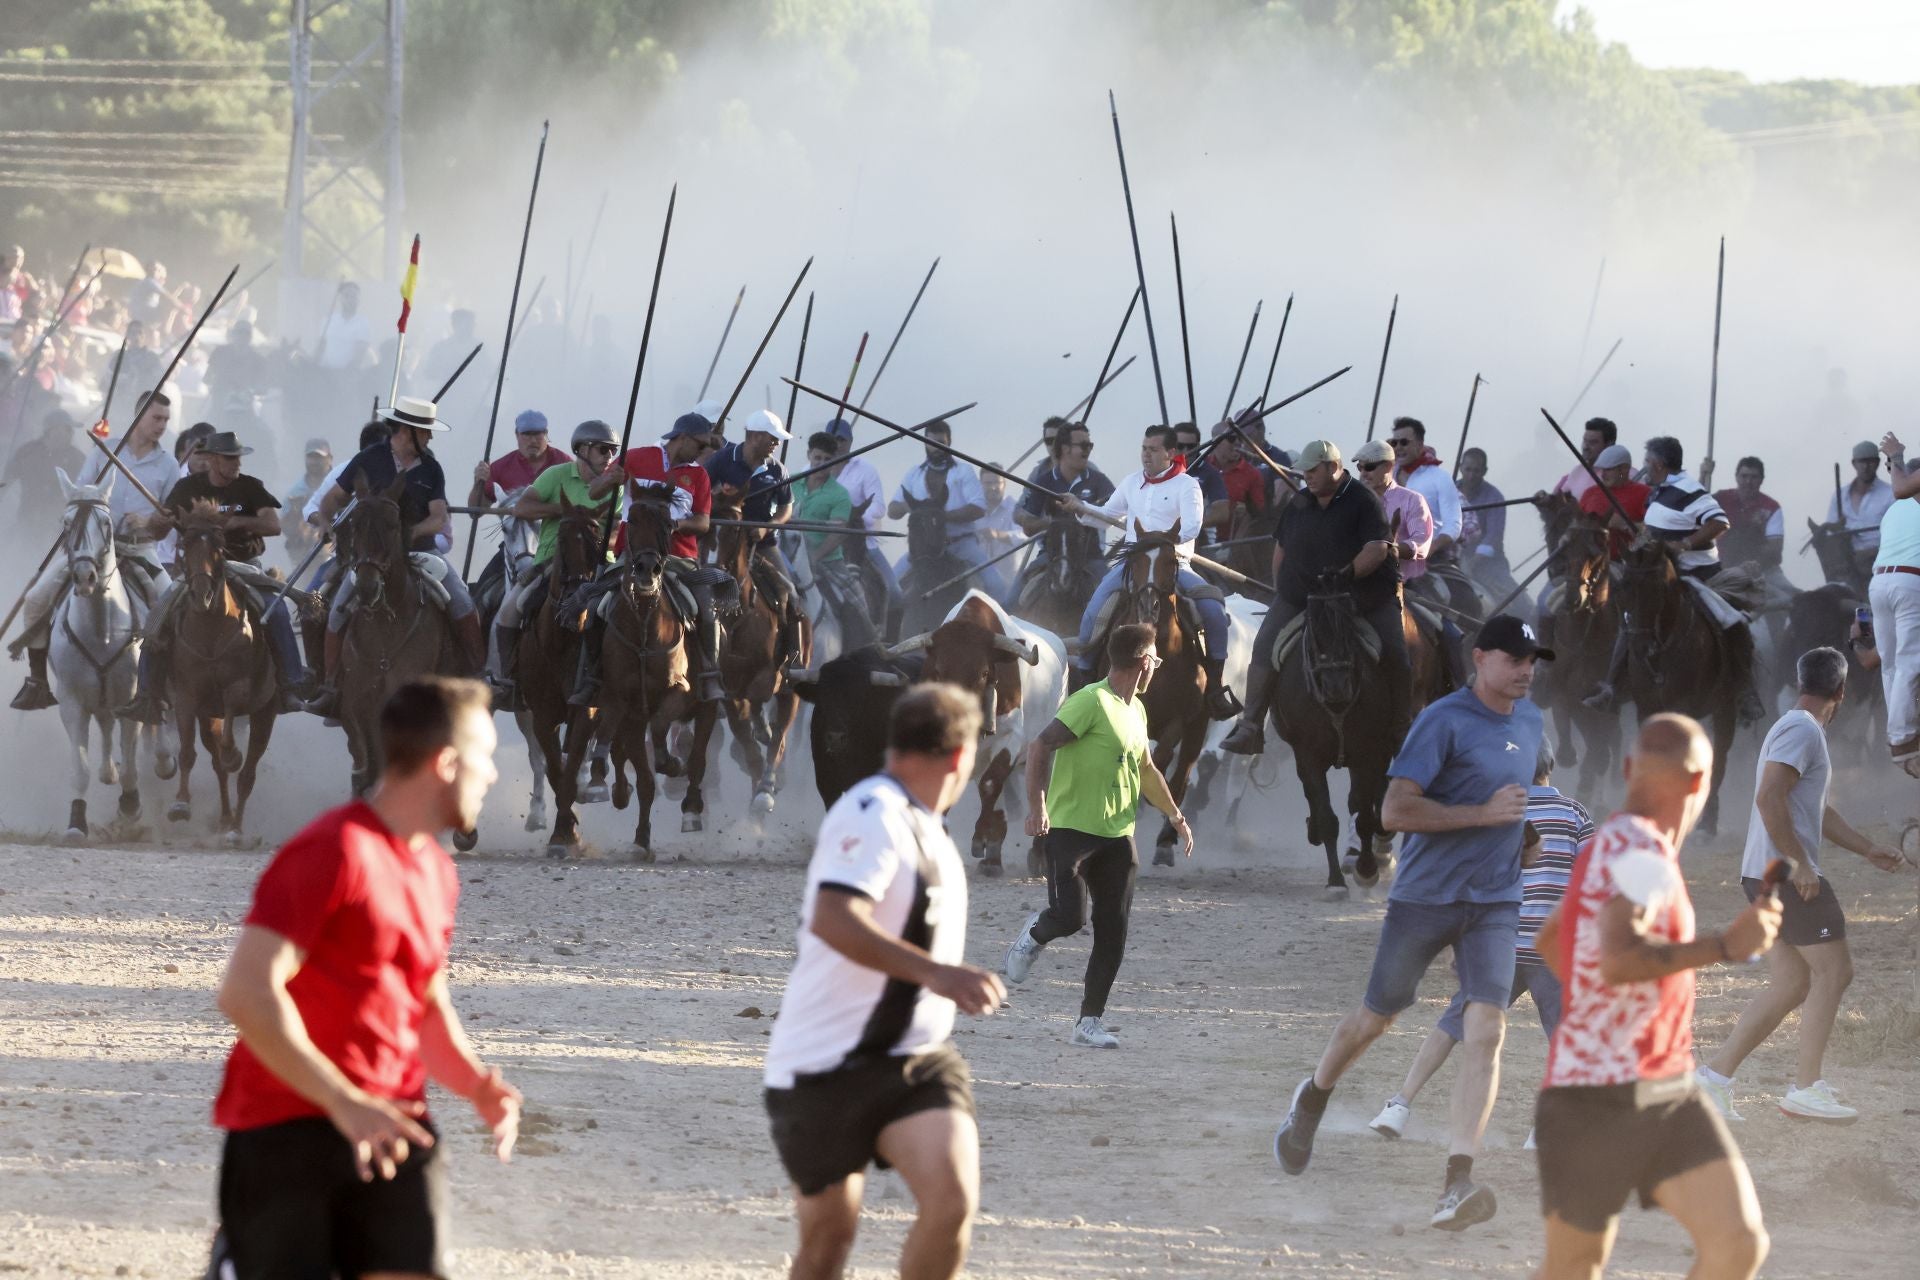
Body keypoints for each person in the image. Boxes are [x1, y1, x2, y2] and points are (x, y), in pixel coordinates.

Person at [210, 677, 520, 1276]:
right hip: (286, 1128)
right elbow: (245, 992)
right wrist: (344, 1101)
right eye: (486, 757)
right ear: (447, 764)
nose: (494, 775)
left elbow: (424, 1004)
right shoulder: (332, 851)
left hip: (395, 1124)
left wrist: (478, 1085)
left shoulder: (437, 871)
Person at [1273, 614, 1549, 1232]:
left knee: (1487, 1032)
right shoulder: (1442, 720)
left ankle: (1456, 1183)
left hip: (1497, 901)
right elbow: (1395, 811)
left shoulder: (1532, 722)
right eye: (1515, 658)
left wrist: (1522, 837)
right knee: (1379, 1017)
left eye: (1533, 659)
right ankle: (1313, 1096)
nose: (1527, 669)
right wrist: (1482, 815)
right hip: (1426, 896)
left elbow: (1515, 795)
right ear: (1480, 659)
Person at [762, 684, 1005, 1280]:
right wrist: (938, 974)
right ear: (960, 755)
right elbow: (833, 916)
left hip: (915, 1061)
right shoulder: (872, 814)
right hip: (824, 1066)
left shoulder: (926, 823)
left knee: (951, 1203)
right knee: (827, 1243)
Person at [1530, 714, 1781, 1280]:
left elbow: (1551, 942)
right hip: (1598, 1100)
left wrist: (1601, 1018)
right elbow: (1618, 958)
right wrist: (1725, 945)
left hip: (1657, 1087)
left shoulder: (1607, 844)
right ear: (1700, 785)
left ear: (1626, 770)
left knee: (1735, 1242)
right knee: (1727, 1247)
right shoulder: (1642, 851)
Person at [1695, 648, 1907, 1122]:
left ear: (1799, 682)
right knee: (1836, 973)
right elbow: (1770, 798)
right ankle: (1806, 1088)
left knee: (1793, 983)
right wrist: (1800, 864)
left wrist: (1865, 848)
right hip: (1786, 875)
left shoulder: (1798, 729)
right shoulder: (1802, 730)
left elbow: (1816, 810)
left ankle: (1712, 1080)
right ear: (1842, 693)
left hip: (1765, 874)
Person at [1370, 738, 1591, 1147]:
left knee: (1452, 1026)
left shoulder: (1497, 817)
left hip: (1500, 944)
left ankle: (1398, 1105)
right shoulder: (1574, 813)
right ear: (1551, 766)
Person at [1005, 621, 1192, 1045]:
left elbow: (1146, 769)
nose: (1156, 668)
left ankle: (1088, 1023)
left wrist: (1176, 816)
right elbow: (1039, 746)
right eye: (1156, 661)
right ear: (1144, 663)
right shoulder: (1091, 701)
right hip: (1070, 829)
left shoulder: (1137, 710)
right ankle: (1033, 934)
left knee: (1114, 930)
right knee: (1071, 918)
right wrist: (1037, 808)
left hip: (1117, 837)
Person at [1219, 439, 1402, 754]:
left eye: (1313, 471)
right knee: (1263, 646)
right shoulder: (1300, 502)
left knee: (1397, 649)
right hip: (1301, 595)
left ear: (1333, 467)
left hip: (1359, 593)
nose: (1307, 478)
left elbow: (1377, 548)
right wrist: (1282, 590)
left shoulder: (1364, 500)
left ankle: (1403, 724)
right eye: (1304, 473)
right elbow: (1281, 549)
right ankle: (1250, 724)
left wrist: (1349, 572)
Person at [306, 397, 483, 717]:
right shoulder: (368, 459)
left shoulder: (430, 468)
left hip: (421, 551)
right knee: (336, 610)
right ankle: (330, 684)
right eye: (426, 432)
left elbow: (438, 517)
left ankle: (476, 675)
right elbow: (332, 500)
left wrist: (407, 536)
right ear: (407, 430)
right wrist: (328, 526)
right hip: (370, 556)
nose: (430, 438)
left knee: (462, 601)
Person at [121, 431, 310, 720]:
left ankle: (291, 684)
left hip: (245, 565)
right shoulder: (186, 489)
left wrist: (236, 521)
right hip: (199, 570)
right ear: (211, 460)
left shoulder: (250, 487)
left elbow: (273, 526)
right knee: (157, 616)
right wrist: (158, 522)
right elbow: (158, 532)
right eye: (229, 459)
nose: (236, 464)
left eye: (237, 458)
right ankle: (147, 694)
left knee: (278, 611)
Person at [9, 391, 176, 710]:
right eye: (156, 418)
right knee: (34, 600)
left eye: (166, 420)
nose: (162, 425)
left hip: (141, 551)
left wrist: (151, 520)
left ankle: (157, 689)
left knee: (171, 605)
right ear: (139, 416)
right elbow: (81, 493)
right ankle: (38, 681)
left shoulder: (167, 464)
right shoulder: (105, 450)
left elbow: (170, 518)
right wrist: (95, 508)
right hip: (94, 549)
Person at [1585, 436, 1763, 723]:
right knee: (1631, 620)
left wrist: (1686, 544)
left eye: (1647, 462)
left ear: (1657, 464)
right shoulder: (1657, 492)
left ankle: (1744, 692)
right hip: (1658, 575)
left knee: (1733, 622)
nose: (1644, 467)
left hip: (1695, 575)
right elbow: (1657, 530)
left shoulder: (1690, 490)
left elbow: (1720, 522)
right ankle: (1612, 687)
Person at [1065, 424, 1236, 719]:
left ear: (1171, 453)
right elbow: (1108, 514)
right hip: (1133, 564)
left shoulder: (1187, 485)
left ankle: (1215, 687)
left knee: (1213, 610)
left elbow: (1193, 525)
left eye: (1153, 449)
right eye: (1144, 448)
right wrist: (1080, 506)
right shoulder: (1132, 482)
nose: (1146, 455)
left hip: (1174, 563)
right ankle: (1084, 680)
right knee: (1093, 613)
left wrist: (1159, 540)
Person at [574, 410, 717, 705]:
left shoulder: (699, 474)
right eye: (701, 445)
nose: (705, 452)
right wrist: (610, 478)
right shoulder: (637, 457)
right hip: (631, 556)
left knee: (707, 610)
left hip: (680, 558)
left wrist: (672, 525)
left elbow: (703, 522)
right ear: (683, 438)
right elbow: (594, 492)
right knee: (593, 607)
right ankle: (593, 676)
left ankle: (709, 675)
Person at [487, 419, 619, 704]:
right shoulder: (556, 475)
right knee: (511, 609)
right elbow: (522, 507)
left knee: (623, 610)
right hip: (551, 561)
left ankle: (616, 677)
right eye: (603, 449)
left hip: (600, 565)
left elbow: (620, 532)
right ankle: (509, 679)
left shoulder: (617, 485)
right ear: (583, 449)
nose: (609, 456)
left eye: (612, 451)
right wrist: (567, 512)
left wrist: (590, 534)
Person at [705, 408, 803, 657]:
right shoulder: (722, 460)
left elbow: (786, 508)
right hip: (722, 539)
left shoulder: (777, 470)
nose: (777, 443)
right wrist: (717, 499)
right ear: (756, 436)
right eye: (773, 438)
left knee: (790, 592)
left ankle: (793, 656)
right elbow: (700, 493)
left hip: (762, 543)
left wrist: (767, 527)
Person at [888, 418, 1008, 603]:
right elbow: (892, 510)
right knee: (891, 588)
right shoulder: (914, 474)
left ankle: (1006, 629)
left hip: (962, 544)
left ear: (949, 443)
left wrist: (941, 517)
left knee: (997, 586)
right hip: (922, 551)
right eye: (931, 443)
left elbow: (978, 508)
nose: (936, 448)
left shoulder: (963, 471)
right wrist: (916, 510)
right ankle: (885, 632)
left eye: (941, 443)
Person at [794, 431, 876, 650]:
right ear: (809, 455)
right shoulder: (790, 484)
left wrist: (814, 557)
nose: (821, 463)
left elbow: (837, 534)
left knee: (856, 601)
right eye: (817, 458)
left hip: (827, 562)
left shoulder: (840, 494)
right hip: (787, 557)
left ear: (834, 462)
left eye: (827, 460)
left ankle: (861, 651)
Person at [1013, 422, 1113, 598]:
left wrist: (1083, 511)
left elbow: (1114, 516)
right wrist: (1053, 524)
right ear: (1065, 449)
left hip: (1091, 558)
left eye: (1089, 445)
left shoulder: (1098, 480)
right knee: (1012, 600)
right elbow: (1028, 528)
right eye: (1083, 445)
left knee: (1114, 598)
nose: (1088, 450)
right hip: (1051, 556)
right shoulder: (1043, 481)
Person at [1870, 431, 1920, 775]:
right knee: (1910, 661)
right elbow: (1902, 485)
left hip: (1879, 583)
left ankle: (1898, 737)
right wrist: (1896, 459)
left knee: (1889, 664)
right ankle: (1902, 736)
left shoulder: (1892, 511)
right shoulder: (1907, 495)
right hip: (1910, 582)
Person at [826, 417, 903, 627]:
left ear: (850, 441)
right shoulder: (813, 468)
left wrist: (854, 521)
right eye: (833, 439)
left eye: (842, 439)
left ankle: (889, 646)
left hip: (860, 544)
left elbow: (878, 505)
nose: (838, 444)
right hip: (822, 543)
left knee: (895, 593)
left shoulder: (866, 469)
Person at [1457, 447, 1522, 605]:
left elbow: (1493, 537)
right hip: (1452, 558)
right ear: (1460, 468)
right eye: (1468, 469)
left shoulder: (1495, 497)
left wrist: (1472, 563)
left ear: (1484, 471)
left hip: (1487, 563)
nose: (1471, 475)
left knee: (1519, 604)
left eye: (1477, 471)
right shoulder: (1447, 490)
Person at [468, 408, 568, 509]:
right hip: (513, 524)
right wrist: (478, 483)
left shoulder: (564, 463)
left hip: (555, 524)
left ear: (546, 434)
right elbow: (475, 511)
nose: (533, 440)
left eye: (538, 434)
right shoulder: (500, 467)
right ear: (517, 435)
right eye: (527, 434)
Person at [4, 407, 84, 531]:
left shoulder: (77, 458)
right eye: (66, 429)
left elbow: (86, 491)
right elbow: (6, 481)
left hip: (58, 528)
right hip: (27, 520)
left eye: (70, 430)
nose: (70, 434)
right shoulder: (28, 453)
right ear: (52, 430)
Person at [1826, 440, 1895, 581]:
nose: (1866, 467)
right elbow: (1830, 532)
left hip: (1881, 562)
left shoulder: (1890, 494)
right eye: (1862, 462)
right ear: (1854, 463)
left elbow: (1896, 536)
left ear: (1877, 463)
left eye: (1871, 462)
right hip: (1847, 564)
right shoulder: (1840, 495)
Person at [1576, 444, 1651, 561]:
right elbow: (1574, 525)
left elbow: (1655, 533)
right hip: (1588, 561)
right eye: (1603, 469)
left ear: (1624, 469)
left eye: (1609, 469)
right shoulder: (1589, 493)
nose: (1603, 474)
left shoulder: (1645, 493)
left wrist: (1625, 524)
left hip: (1627, 564)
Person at [1173, 421, 1231, 546]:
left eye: (1191, 447)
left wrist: (1190, 525)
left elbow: (1222, 513)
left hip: (1199, 542)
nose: (1185, 451)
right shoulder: (1159, 470)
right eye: (1180, 446)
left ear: (1198, 445)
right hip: (1161, 536)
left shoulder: (1211, 474)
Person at [282, 437, 335, 569]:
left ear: (330, 458)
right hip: (303, 559)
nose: (314, 462)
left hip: (336, 554)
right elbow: (286, 529)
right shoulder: (295, 492)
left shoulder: (339, 485)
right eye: (310, 457)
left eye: (319, 457)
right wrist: (295, 512)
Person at [1545, 417, 1616, 504]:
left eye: (1593, 442)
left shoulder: (1623, 475)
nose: (1585, 447)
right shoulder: (1577, 471)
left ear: (1609, 445)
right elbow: (1555, 508)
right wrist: (1545, 503)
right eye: (1585, 441)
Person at [314, 281, 371, 371]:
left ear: (358, 300)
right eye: (346, 296)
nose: (350, 299)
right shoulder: (328, 320)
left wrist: (348, 372)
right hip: (325, 372)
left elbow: (360, 353)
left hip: (348, 374)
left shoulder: (363, 323)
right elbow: (321, 346)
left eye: (353, 296)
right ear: (340, 299)